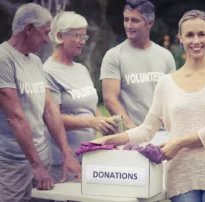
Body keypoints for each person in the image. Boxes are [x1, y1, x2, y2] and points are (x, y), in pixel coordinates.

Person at [93, 9, 205, 202]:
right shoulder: (166, 82)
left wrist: (178, 143)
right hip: (180, 175)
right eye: (189, 35)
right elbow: (146, 130)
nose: (196, 41)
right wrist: (107, 141)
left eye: (202, 34)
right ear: (180, 38)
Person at [0, 3, 81, 202]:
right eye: (45, 33)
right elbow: (15, 118)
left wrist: (66, 153)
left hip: (41, 160)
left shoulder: (35, 61)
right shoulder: (3, 59)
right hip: (14, 164)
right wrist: (35, 166)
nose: (47, 40)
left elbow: (49, 108)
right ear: (28, 29)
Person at [44, 11, 117, 183]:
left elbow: (91, 107)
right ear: (60, 36)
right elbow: (51, 119)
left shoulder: (81, 69)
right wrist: (90, 122)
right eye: (77, 36)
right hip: (63, 159)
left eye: (84, 36)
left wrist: (105, 124)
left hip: (89, 155)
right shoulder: (47, 72)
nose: (82, 41)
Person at [100, 0, 176, 129]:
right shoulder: (114, 56)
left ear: (149, 23)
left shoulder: (165, 56)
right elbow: (109, 99)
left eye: (135, 21)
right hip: (130, 135)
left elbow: (172, 96)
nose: (128, 25)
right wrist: (133, 129)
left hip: (163, 133)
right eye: (126, 20)